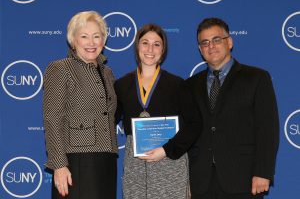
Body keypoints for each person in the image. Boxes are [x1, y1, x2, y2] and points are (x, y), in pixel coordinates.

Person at [185, 17, 279, 199]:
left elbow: (267, 129)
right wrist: (184, 179)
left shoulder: (257, 78)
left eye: (216, 39)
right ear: (200, 49)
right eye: (204, 42)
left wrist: (263, 172)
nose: (210, 46)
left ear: (229, 42)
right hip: (200, 182)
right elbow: (187, 132)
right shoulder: (190, 86)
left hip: (243, 179)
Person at [115, 24, 200, 199]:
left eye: (157, 44)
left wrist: (167, 150)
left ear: (163, 50)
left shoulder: (177, 85)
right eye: (145, 43)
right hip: (136, 168)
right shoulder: (122, 85)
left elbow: (195, 124)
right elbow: (108, 122)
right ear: (137, 46)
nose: (150, 49)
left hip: (170, 163)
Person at [43, 11, 118, 199]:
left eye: (96, 36)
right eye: (84, 36)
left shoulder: (107, 73)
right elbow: (52, 118)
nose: (91, 43)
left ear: (103, 40)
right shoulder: (61, 68)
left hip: (106, 159)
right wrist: (59, 165)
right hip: (76, 161)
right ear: (73, 40)